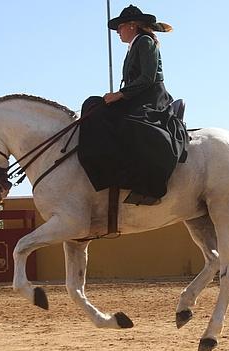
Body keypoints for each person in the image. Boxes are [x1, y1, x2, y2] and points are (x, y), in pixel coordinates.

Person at [78, 5, 188, 206]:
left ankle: (149, 186)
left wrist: (120, 94)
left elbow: (147, 78)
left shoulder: (145, 42)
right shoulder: (134, 45)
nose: (118, 32)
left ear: (132, 25)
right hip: (136, 96)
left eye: (120, 27)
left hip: (151, 97)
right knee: (93, 106)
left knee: (132, 124)